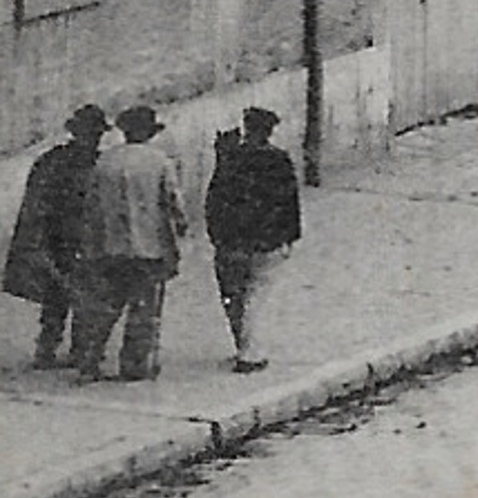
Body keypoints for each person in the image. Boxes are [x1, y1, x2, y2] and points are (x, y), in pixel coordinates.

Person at [76, 105, 188, 383]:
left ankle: (90, 359)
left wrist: (91, 243)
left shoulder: (105, 162)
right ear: (149, 133)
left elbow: (90, 206)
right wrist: (180, 232)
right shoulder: (160, 161)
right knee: (144, 308)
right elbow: (174, 203)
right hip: (149, 248)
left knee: (107, 304)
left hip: (110, 246)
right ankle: (135, 365)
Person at [3, 104, 109, 369]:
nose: (93, 138)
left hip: (66, 236)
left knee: (64, 293)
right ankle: (63, 349)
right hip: (69, 236)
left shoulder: (56, 159)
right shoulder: (85, 162)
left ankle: (57, 348)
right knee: (71, 292)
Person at [206, 106, 301, 374]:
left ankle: (244, 346)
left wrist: (217, 236)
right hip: (267, 242)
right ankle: (249, 352)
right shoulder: (278, 160)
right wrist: (289, 236)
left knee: (233, 295)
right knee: (256, 295)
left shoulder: (230, 158)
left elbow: (214, 199)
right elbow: (288, 201)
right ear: (269, 131)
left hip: (232, 242)